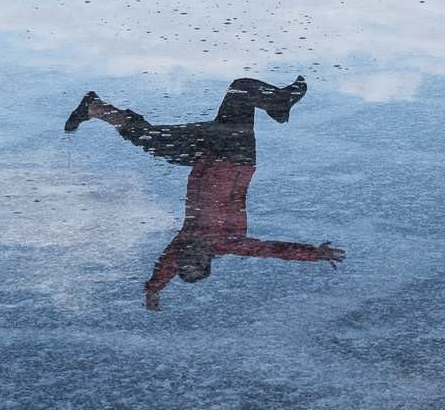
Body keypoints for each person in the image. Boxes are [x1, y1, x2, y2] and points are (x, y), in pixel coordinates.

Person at [64, 76, 345, 309]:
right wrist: (312, 254)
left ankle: (95, 107)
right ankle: (279, 102)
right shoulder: (230, 243)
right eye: (196, 261)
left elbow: (166, 264)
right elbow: (272, 250)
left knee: (237, 91)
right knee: (233, 95)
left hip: (205, 154)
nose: (189, 256)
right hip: (235, 156)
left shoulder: (185, 240)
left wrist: (153, 290)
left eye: (185, 261)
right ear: (208, 259)